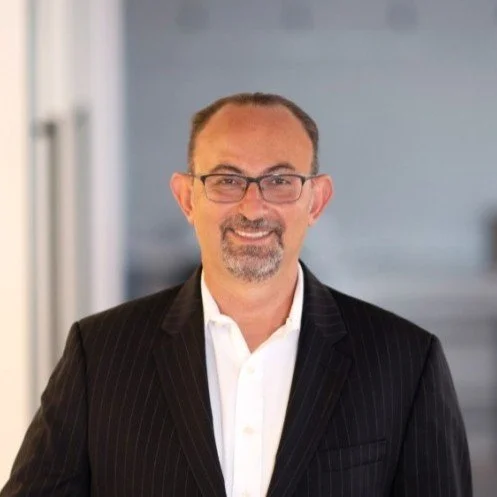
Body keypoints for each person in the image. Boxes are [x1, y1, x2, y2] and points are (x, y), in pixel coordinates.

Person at [1, 92, 472, 497]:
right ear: (187, 198)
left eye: (280, 181)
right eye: (226, 180)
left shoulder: (407, 362)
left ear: (316, 200)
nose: (252, 206)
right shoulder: (101, 354)